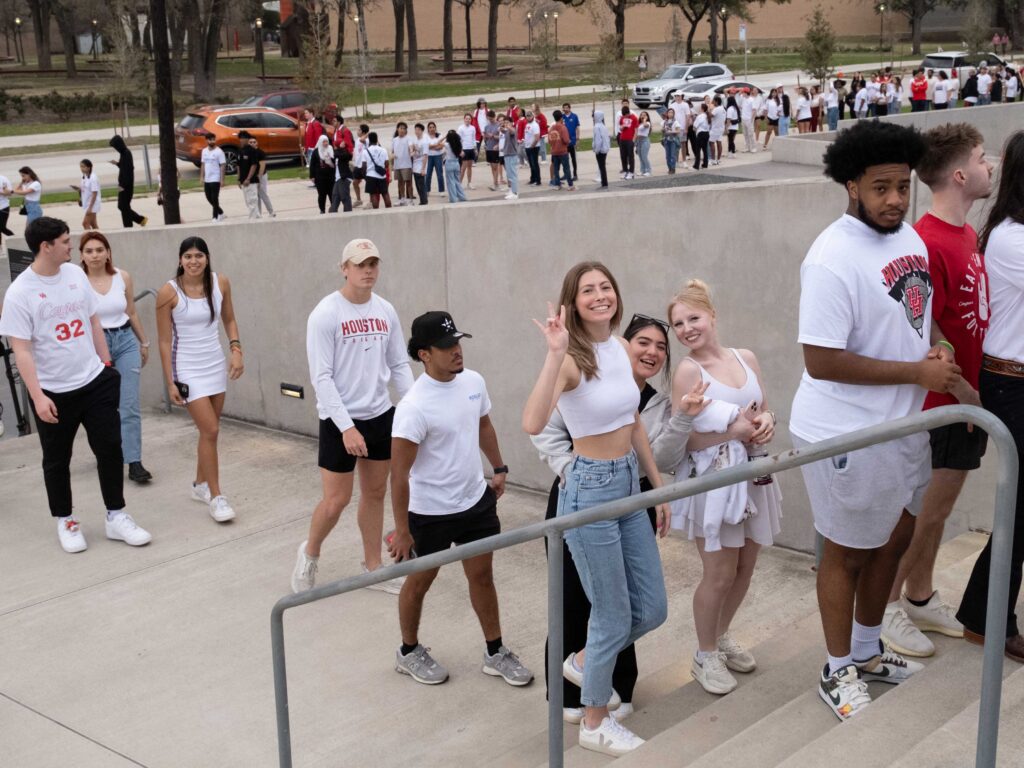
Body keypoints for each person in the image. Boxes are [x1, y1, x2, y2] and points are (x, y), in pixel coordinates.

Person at [790, 120, 960, 720]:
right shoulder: (832, 257)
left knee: (894, 539)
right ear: (851, 186)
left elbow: (913, 318)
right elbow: (822, 359)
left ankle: (866, 651)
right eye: (881, 187)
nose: (894, 199)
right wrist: (916, 376)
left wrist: (933, 348)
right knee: (847, 552)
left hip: (900, 424)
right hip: (844, 429)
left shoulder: (908, 239)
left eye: (902, 186)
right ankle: (836, 670)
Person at [522, 263, 670, 757]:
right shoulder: (571, 359)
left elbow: (633, 419)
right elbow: (532, 421)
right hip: (589, 488)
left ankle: (585, 662)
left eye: (606, 286)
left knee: (651, 608)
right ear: (572, 302)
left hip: (629, 481)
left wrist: (656, 485)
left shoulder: (621, 350)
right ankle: (594, 721)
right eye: (588, 290)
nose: (600, 295)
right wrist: (554, 353)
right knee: (610, 610)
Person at [531, 313, 703, 723]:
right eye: (643, 342)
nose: (652, 352)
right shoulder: (583, 374)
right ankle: (573, 701)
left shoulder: (658, 404)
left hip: (633, 494)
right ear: (624, 346)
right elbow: (542, 429)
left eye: (661, 347)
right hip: (583, 492)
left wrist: (680, 421)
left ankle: (613, 684)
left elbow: (658, 454)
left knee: (628, 603)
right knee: (576, 600)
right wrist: (576, 469)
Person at [877, 124, 993, 659]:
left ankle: (919, 595)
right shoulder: (925, 241)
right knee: (923, 512)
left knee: (940, 511)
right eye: (982, 157)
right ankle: (886, 612)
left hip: (967, 402)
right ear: (961, 174)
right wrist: (965, 393)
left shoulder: (966, 234)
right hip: (944, 405)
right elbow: (921, 329)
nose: (991, 166)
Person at [388, 310, 533, 689]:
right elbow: (398, 474)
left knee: (482, 576)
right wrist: (402, 530)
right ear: (424, 354)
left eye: (458, 342)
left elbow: (483, 423)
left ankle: (495, 651)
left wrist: (498, 467)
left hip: (475, 502)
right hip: (429, 513)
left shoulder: (473, 382)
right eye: (447, 346)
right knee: (420, 582)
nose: (457, 351)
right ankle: (408, 652)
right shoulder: (413, 407)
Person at [0, 217, 151, 552]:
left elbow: (92, 318)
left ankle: (116, 515)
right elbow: (21, 350)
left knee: (110, 448)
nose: (72, 246)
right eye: (66, 241)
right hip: (53, 391)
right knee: (57, 459)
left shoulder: (74, 275)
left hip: (94, 380)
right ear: (46, 246)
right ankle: (65, 520)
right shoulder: (20, 293)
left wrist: (106, 366)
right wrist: (37, 396)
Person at [668, 279, 782, 695]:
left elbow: (762, 410)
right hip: (715, 485)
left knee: (745, 568)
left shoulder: (745, 357)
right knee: (718, 573)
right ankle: (704, 653)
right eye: (678, 324)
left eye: (693, 318)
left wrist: (768, 421)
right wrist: (733, 433)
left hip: (753, 475)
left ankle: (722, 634)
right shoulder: (686, 371)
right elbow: (685, 441)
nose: (686, 329)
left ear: (712, 315)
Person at [292, 239, 414, 595]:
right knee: (336, 502)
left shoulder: (385, 310)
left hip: (379, 415)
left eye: (373, 263)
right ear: (344, 268)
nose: (368, 270)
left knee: (375, 493)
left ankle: (372, 568)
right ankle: (310, 553)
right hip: (338, 419)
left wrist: (414, 405)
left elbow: (398, 364)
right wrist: (346, 427)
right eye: (360, 264)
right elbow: (321, 378)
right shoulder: (326, 314)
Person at [956, 130, 1024, 664]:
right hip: (1011, 382)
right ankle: (987, 618)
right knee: (1019, 510)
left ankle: (986, 614)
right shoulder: (1009, 238)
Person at [155, 236, 244, 524]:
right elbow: (164, 341)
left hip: (215, 365)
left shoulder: (221, 283)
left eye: (199, 256)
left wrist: (236, 349)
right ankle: (217, 497)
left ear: (207, 258)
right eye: (188, 256)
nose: (194, 261)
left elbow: (229, 319)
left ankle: (199, 485)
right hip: (187, 369)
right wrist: (170, 382)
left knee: (209, 433)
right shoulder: (168, 293)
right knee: (211, 430)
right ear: (180, 260)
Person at [79, 229, 153, 484]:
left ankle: (134, 461)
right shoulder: (78, 281)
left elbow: (131, 311)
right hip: (95, 345)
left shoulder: (122, 276)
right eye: (89, 251)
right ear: (82, 255)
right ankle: (107, 454)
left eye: (100, 250)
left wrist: (144, 342)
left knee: (129, 403)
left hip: (125, 340)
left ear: (108, 252)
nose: (95, 255)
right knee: (102, 406)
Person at [108, 135, 147, 228]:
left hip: (125, 186)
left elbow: (128, 172)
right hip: (123, 185)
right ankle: (132, 223)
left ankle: (137, 221)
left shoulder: (126, 154)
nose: (115, 149)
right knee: (124, 207)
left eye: (115, 147)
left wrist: (122, 186)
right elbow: (124, 167)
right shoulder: (123, 153)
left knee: (122, 206)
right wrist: (117, 163)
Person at [362, 132, 392, 210]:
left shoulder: (365, 151)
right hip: (382, 176)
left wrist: (365, 176)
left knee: (373, 194)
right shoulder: (383, 150)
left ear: (369, 140)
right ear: (377, 139)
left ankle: (376, 211)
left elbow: (364, 166)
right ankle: (389, 210)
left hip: (370, 175)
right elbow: (387, 163)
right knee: (385, 193)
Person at [236, 130, 261, 220]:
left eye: (243, 138)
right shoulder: (240, 151)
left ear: (247, 139)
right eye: (240, 138)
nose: (241, 140)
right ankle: (257, 217)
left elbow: (254, 165)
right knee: (247, 201)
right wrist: (239, 179)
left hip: (251, 180)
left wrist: (248, 178)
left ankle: (253, 219)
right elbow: (238, 165)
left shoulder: (252, 151)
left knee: (252, 201)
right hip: (243, 180)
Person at [200, 135, 225, 222]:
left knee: (215, 197)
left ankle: (215, 216)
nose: (212, 141)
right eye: (210, 140)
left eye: (213, 139)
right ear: (207, 140)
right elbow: (203, 164)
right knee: (208, 197)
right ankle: (221, 212)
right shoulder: (204, 151)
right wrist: (201, 177)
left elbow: (222, 166)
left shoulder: (219, 152)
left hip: (215, 178)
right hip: (207, 178)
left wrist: (222, 180)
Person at [249, 134, 275, 218]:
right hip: (253, 176)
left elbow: (262, 166)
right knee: (256, 196)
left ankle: (271, 211)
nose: (252, 143)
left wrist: (259, 178)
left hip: (261, 176)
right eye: (250, 142)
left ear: (257, 143)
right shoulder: (248, 153)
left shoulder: (260, 153)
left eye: (254, 142)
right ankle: (258, 213)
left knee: (263, 194)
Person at [71, 159, 101, 231]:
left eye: (83, 166)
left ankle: (91, 238)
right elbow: (84, 189)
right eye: (80, 167)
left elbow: (94, 193)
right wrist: (79, 192)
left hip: (92, 205)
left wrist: (90, 208)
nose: (81, 168)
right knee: (93, 224)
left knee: (85, 223)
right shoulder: (84, 176)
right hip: (87, 203)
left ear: (89, 167)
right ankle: (100, 237)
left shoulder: (93, 178)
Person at [329, 131, 354, 214]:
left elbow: (346, 156)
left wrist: (340, 148)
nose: (343, 144)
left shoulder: (344, 153)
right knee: (335, 196)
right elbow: (334, 156)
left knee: (345, 197)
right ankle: (332, 212)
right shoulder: (337, 153)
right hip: (338, 178)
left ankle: (348, 213)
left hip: (344, 178)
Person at [549, 110, 574, 191]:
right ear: (561, 118)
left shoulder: (551, 128)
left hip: (554, 151)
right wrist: (569, 141)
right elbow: (566, 140)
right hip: (562, 151)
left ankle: (557, 184)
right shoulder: (563, 128)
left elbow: (549, 141)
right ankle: (570, 185)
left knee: (556, 169)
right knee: (566, 168)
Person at [391, 122, 414, 206]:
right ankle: (402, 199)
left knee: (408, 183)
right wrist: (393, 164)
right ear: (397, 129)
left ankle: (410, 200)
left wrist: (411, 151)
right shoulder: (394, 140)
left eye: (404, 128)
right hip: (397, 165)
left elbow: (411, 146)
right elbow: (392, 152)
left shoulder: (408, 138)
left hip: (406, 165)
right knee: (400, 183)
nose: (402, 130)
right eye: (401, 128)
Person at [311, 134, 336, 214]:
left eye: (327, 141)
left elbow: (335, 161)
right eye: (324, 142)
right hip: (320, 177)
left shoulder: (331, 149)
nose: (326, 143)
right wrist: (312, 176)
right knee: (322, 195)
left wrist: (330, 157)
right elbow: (312, 164)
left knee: (332, 193)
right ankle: (322, 209)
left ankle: (333, 208)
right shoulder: (316, 152)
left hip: (331, 176)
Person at [498, 114, 520, 200]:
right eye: (505, 122)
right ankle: (511, 191)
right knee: (509, 175)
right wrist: (502, 126)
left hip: (512, 155)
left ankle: (515, 192)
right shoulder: (506, 131)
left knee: (513, 174)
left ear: (511, 123)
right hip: (506, 154)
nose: (506, 124)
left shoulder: (512, 130)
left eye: (508, 122)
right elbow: (502, 130)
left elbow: (512, 131)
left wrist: (508, 126)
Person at [443, 130, 468, 203]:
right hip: (456, 163)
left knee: (450, 182)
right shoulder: (458, 144)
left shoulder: (447, 144)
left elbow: (438, 143)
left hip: (449, 163)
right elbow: (462, 154)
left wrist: (444, 137)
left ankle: (453, 198)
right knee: (457, 181)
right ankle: (462, 196)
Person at [482, 111, 503, 192]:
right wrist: (485, 137)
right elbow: (486, 138)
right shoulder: (486, 127)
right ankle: (495, 182)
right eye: (488, 119)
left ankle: (496, 183)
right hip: (489, 148)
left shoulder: (498, 125)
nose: (490, 120)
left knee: (495, 166)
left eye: (491, 119)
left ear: (494, 117)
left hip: (495, 148)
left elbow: (501, 137)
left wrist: (493, 136)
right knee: (492, 167)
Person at [457, 114, 479, 189]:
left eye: (469, 119)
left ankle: (469, 183)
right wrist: (460, 150)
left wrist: (475, 148)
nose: (468, 120)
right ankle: (459, 183)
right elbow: (458, 140)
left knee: (470, 167)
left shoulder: (472, 128)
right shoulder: (460, 128)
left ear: (471, 120)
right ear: (464, 119)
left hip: (471, 149)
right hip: (464, 149)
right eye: (466, 118)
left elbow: (473, 139)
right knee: (463, 167)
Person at [411, 123, 430, 206]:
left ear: (422, 131)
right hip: (415, 165)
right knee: (417, 185)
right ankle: (422, 200)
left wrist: (423, 168)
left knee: (421, 185)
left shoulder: (425, 142)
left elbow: (425, 156)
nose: (417, 131)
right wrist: (413, 151)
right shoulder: (415, 140)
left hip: (421, 166)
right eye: (416, 129)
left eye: (419, 130)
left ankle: (424, 201)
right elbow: (413, 151)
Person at [302, 108, 325, 181]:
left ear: (311, 113)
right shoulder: (308, 124)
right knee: (312, 167)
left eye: (307, 113)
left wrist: (317, 149)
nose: (305, 114)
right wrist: (305, 147)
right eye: (305, 113)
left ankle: (318, 181)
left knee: (315, 166)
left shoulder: (316, 123)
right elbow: (307, 137)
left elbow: (318, 138)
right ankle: (315, 181)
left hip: (314, 149)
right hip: (309, 149)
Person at [425, 122, 446, 196]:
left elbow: (441, 147)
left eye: (433, 127)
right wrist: (436, 145)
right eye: (430, 127)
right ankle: (427, 190)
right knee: (428, 174)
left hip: (438, 156)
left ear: (435, 128)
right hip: (429, 157)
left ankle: (441, 190)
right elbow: (427, 146)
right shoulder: (426, 136)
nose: (432, 129)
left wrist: (432, 146)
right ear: (428, 129)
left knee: (439, 174)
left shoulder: (439, 135)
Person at [617, 105, 638, 179]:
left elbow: (636, 130)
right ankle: (625, 170)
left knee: (630, 156)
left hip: (630, 139)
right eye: (624, 116)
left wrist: (634, 140)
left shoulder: (634, 118)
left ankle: (631, 172)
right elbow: (620, 127)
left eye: (626, 115)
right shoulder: (622, 118)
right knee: (623, 156)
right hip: (622, 139)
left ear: (628, 112)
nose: (625, 117)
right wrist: (622, 127)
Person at [562, 103, 581, 181]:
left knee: (573, 159)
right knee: (565, 159)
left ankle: (575, 174)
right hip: (564, 142)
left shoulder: (574, 116)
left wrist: (577, 139)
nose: (565, 109)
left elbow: (577, 128)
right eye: (564, 108)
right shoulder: (562, 117)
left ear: (570, 108)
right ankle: (566, 174)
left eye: (566, 108)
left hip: (572, 141)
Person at [523, 110, 542, 187]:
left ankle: (538, 180)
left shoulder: (535, 125)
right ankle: (533, 179)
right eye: (527, 116)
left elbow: (537, 137)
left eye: (529, 116)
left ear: (532, 116)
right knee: (531, 164)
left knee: (535, 163)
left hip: (534, 147)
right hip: (528, 146)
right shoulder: (527, 124)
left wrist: (532, 145)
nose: (528, 117)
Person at [592, 110, 611, 188]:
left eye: (594, 116)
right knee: (602, 166)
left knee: (601, 166)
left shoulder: (597, 127)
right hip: (605, 149)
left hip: (600, 150)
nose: (593, 118)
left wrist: (596, 150)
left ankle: (604, 183)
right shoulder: (603, 126)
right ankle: (604, 182)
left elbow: (598, 140)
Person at [662, 108, 682, 174]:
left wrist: (671, 131)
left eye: (672, 112)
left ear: (673, 114)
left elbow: (678, 131)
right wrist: (663, 130)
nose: (670, 114)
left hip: (673, 140)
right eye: (669, 112)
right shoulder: (665, 122)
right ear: (667, 114)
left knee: (673, 155)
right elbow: (662, 130)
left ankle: (673, 168)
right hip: (666, 140)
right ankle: (669, 168)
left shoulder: (675, 122)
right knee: (667, 156)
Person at [709, 96, 726, 166]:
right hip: (721, 128)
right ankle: (718, 159)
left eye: (713, 101)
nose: (712, 102)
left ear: (716, 101)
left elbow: (710, 116)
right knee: (719, 143)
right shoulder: (723, 109)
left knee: (711, 143)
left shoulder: (716, 109)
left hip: (715, 128)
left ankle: (713, 160)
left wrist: (709, 109)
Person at [693, 103, 710, 170]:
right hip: (706, 133)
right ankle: (705, 165)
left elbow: (695, 126)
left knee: (698, 150)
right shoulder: (707, 116)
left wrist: (695, 130)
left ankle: (696, 166)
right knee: (705, 150)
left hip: (700, 134)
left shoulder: (700, 116)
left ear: (702, 109)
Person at [0, 172, 13, 247]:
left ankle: (14, 238)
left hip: (3, 206)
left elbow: (10, 193)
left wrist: (1, 192)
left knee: (1, 227)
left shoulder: (3, 179)